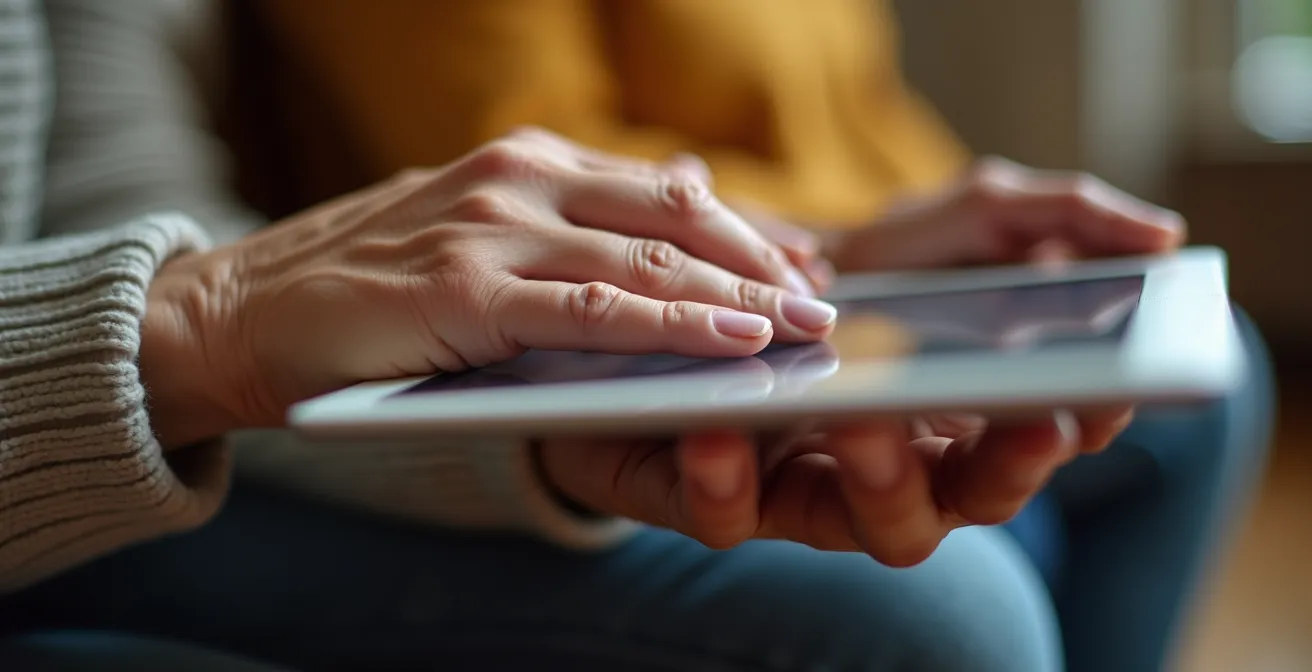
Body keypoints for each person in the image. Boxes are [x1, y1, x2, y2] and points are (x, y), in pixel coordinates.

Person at [0, 3, 1267, 672]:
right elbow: (194, 302)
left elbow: (121, 214)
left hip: (124, 426)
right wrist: (209, 324)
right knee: (939, 620)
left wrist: (537, 434)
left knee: (1203, 389)